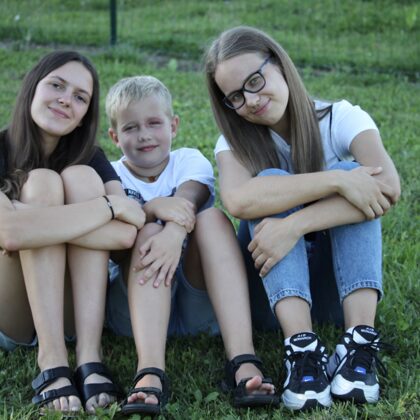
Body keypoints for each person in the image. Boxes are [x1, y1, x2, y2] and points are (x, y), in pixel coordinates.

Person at [203, 26, 400, 411]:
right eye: (236, 97)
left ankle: (359, 344)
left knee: (355, 174)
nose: (251, 101)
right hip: (270, 297)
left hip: (336, 292)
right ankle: (301, 351)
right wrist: (336, 181)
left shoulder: (341, 118)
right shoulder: (234, 143)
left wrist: (294, 225)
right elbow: (239, 200)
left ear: (279, 63)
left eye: (255, 81)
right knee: (273, 180)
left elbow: (388, 187)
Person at [105, 75, 279, 415]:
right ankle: (149, 370)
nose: (144, 135)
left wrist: (172, 232)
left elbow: (188, 202)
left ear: (174, 125)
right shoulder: (110, 176)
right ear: (114, 136)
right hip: (133, 311)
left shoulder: (188, 160)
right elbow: (117, 243)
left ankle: (243, 359)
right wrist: (154, 210)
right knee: (146, 232)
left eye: (154, 123)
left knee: (211, 218)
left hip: (196, 303)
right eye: (130, 128)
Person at [0, 51, 146, 415]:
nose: (66, 99)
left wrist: (35, 222)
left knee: (78, 177)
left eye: (80, 97)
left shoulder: (90, 159)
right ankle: (51, 359)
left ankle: (88, 355)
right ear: (33, 88)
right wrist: (106, 208)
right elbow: (9, 233)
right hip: (10, 313)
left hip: (67, 311)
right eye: (57, 85)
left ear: (84, 115)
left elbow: (124, 235)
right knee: (43, 182)